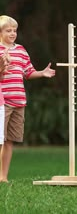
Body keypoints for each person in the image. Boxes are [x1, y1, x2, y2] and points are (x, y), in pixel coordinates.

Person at [0, 15, 56, 183]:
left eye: (14, 30)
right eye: (8, 30)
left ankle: (3, 177)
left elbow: (28, 72)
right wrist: (2, 65)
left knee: (10, 140)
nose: (12, 33)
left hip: (19, 102)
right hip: (3, 102)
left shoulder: (21, 50)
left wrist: (42, 73)